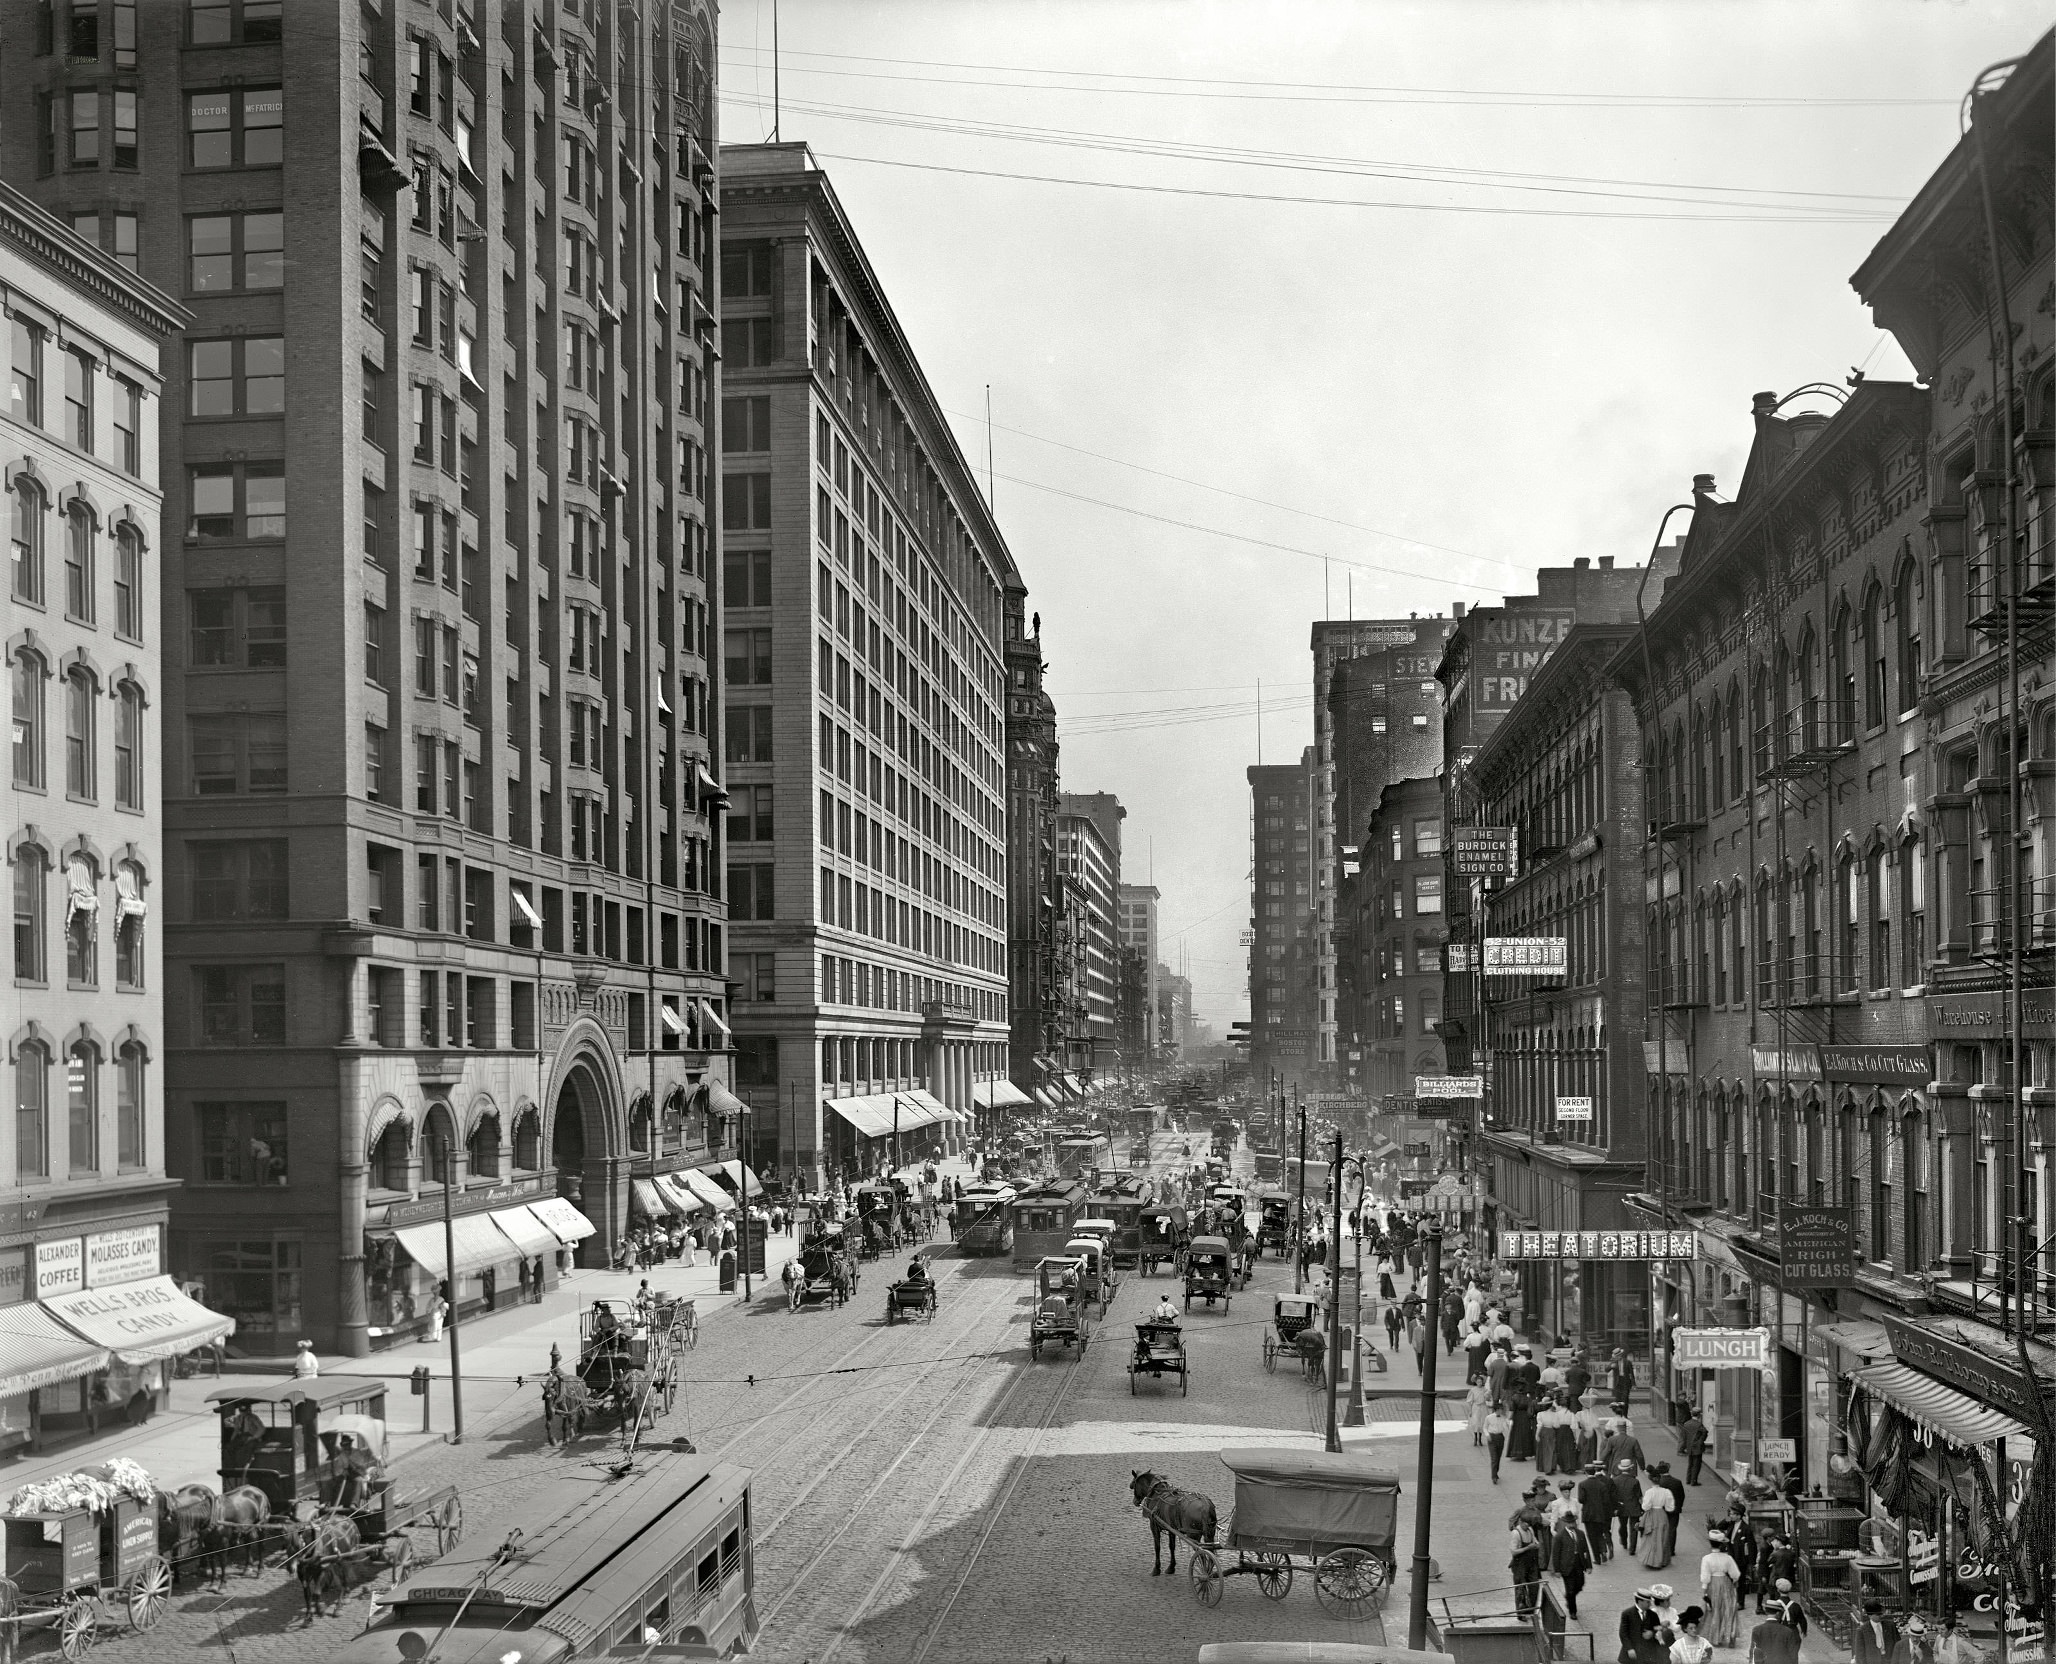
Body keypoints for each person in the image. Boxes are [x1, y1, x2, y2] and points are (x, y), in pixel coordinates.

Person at [1700, 1531, 1743, 1646]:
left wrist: (1704, 1590)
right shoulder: (1727, 1558)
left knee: (1715, 1609)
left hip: (1712, 1584)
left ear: (1710, 1543)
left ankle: (1716, 1638)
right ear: (1721, 1544)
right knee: (1728, 1609)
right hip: (1725, 1583)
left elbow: (1705, 1577)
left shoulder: (1706, 1558)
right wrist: (1733, 1581)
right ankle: (1730, 1636)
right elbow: (1735, 1574)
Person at [1552, 1509, 1592, 1618]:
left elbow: (1585, 1550)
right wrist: (1557, 1570)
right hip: (1566, 1567)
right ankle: (1573, 1611)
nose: (1571, 1524)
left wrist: (1588, 1565)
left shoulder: (1580, 1534)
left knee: (1580, 1585)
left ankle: (1569, 1597)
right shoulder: (1560, 1536)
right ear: (1565, 1523)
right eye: (1569, 1522)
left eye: (1572, 1522)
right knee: (1570, 1589)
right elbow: (1555, 1554)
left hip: (1579, 1565)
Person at [1576, 1462, 1616, 1564]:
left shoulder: (1582, 1484)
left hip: (1588, 1514)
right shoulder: (1602, 1485)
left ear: (1586, 1472)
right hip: (1600, 1514)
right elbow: (1606, 1500)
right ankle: (1603, 1550)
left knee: (1591, 1536)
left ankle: (1597, 1558)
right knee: (1599, 1534)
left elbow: (1581, 1499)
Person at [1509, 1513, 1543, 1619]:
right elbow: (1513, 1551)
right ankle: (1521, 1613)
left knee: (1534, 1587)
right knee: (1521, 1589)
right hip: (1519, 1565)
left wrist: (1537, 1544)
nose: (1527, 1526)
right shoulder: (1516, 1533)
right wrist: (1528, 1548)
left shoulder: (1530, 1530)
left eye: (1529, 1524)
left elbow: (1535, 1541)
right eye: (1525, 1524)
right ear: (1520, 1522)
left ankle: (1531, 1610)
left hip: (1531, 1564)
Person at [1639, 1472, 1676, 1568]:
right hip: (1662, 1515)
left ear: (1651, 1480)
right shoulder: (1666, 1491)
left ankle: (1651, 1560)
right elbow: (1670, 1508)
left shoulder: (1649, 1492)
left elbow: (1645, 1507)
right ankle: (1662, 1560)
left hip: (1652, 1515)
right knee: (1662, 1537)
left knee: (1651, 1538)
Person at [1621, 1589, 1663, 1664]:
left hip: (1649, 1654)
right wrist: (1629, 1649)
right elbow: (1623, 1633)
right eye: (1648, 1602)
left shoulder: (1653, 1615)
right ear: (1640, 1601)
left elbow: (1658, 1629)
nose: (1650, 1604)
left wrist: (1652, 1633)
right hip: (1632, 1653)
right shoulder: (1627, 1614)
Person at [1678, 1406, 1710, 1484]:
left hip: (1689, 1447)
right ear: (1699, 1415)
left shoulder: (1686, 1424)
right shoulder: (1699, 1424)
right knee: (1696, 1465)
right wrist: (1701, 1441)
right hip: (1697, 1447)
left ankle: (1688, 1479)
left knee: (1690, 1464)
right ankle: (1693, 1480)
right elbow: (1705, 1433)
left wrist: (1682, 1448)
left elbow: (1683, 1437)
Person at [1485, 1405, 1511, 1483]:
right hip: (1492, 1437)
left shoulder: (1503, 1418)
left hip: (1500, 1437)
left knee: (1498, 1457)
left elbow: (1507, 1428)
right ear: (1496, 1410)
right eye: (1500, 1410)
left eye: (1502, 1410)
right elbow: (1485, 1427)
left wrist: (1507, 1421)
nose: (1501, 1411)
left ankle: (1496, 1472)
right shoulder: (1489, 1417)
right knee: (1494, 1458)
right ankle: (1493, 1477)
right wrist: (1487, 1435)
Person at [1609, 1346, 1636, 1413]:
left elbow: (1631, 1374)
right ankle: (1618, 1414)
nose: (1616, 1357)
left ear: (1620, 1355)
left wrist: (1633, 1384)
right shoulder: (1614, 1362)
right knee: (1618, 1399)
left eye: (1617, 1356)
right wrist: (1611, 1366)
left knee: (1625, 1399)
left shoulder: (1627, 1362)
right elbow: (1606, 1369)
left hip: (1626, 1382)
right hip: (1618, 1382)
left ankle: (1625, 1415)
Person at [1467, 1380, 1490, 1446]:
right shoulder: (1473, 1390)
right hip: (1475, 1407)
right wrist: (1470, 1410)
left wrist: (1487, 1395)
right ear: (1476, 1382)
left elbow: (1488, 1399)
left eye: (1480, 1382)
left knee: (1482, 1422)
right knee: (1475, 1422)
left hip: (1482, 1407)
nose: (1479, 1383)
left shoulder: (1485, 1390)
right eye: (1478, 1382)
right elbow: (1469, 1401)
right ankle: (1475, 1437)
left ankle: (1480, 1438)